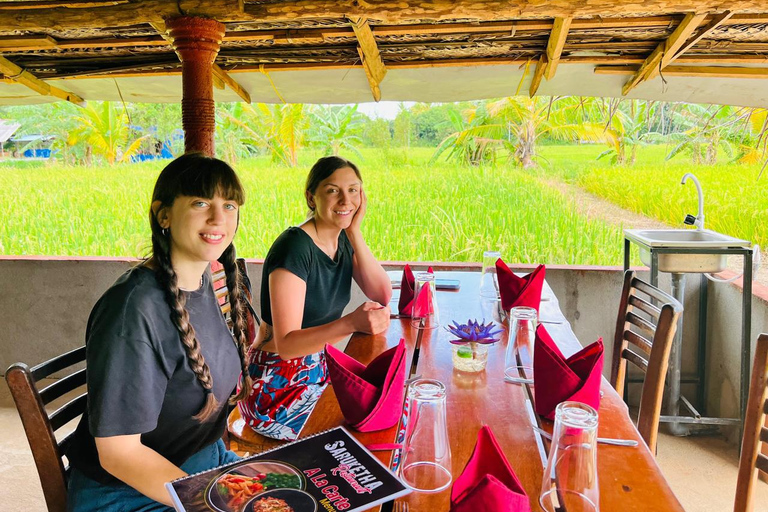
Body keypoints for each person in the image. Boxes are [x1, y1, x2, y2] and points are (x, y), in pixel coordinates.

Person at [66, 153, 253, 512]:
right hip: (129, 492)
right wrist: (209, 501)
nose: (218, 218)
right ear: (163, 214)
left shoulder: (202, 283)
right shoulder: (132, 311)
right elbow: (120, 454)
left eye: (229, 205)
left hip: (199, 461)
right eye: (201, 202)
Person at [239, 156, 391, 440]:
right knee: (355, 436)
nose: (346, 199)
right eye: (333, 190)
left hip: (317, 371)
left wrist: (354, 231)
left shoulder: (341, 238)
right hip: (275, 387)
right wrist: (350, 323)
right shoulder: (295, 248)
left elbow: (381, 293)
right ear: (311, 197)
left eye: (354, 190)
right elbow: (287, 346)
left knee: (383, 412)